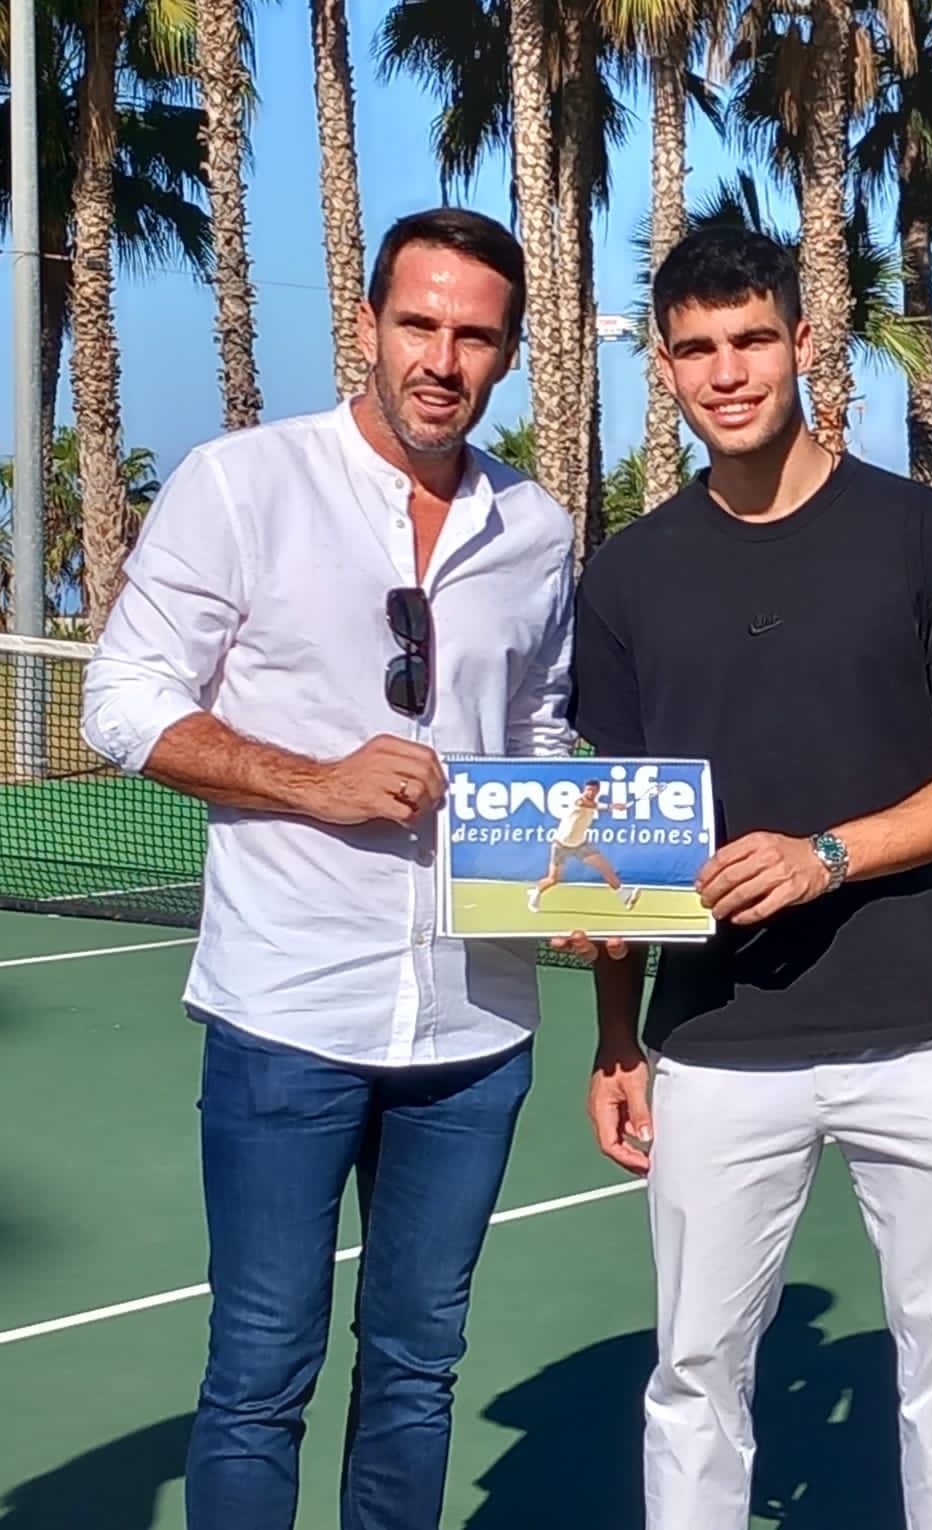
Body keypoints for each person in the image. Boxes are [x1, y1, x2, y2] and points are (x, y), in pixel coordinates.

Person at [81, 207, 587, 1529]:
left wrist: (574, 888)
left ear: (509, 352)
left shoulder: (535, 528)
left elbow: (533, 733)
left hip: (476, 1029)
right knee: (259, 1375)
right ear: (367, 326)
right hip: (285, 1018)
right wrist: (313, 780)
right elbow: (123, 701)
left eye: (475, 334)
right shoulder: (243, 483)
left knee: (418, 1370)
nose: (442, 356)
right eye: (418, 323)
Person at [562, 225, 932, 1530]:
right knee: (695, 1374)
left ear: (802, 345)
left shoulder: (926, 539)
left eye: (752, 339)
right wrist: (617, 1034)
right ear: (665, 367)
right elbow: (607, 823)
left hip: (927, 1035)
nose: (728, 371)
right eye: (698, 349)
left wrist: (826, 856)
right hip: (715, 1048)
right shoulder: (624, 575)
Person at [529, 777, 649, 912]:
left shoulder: (593, 804)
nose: (590, 793)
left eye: (593, 790)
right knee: (553, 879)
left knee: (606, 869)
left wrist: (614, 807)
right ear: (584, 790)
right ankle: (536, 892)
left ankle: (625, 896)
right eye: (588, 790)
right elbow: (586, 804)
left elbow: (594, 805)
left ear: (598, 791)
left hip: (581, 845)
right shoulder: (579, 801)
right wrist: (611, 806)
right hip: (561, 845)